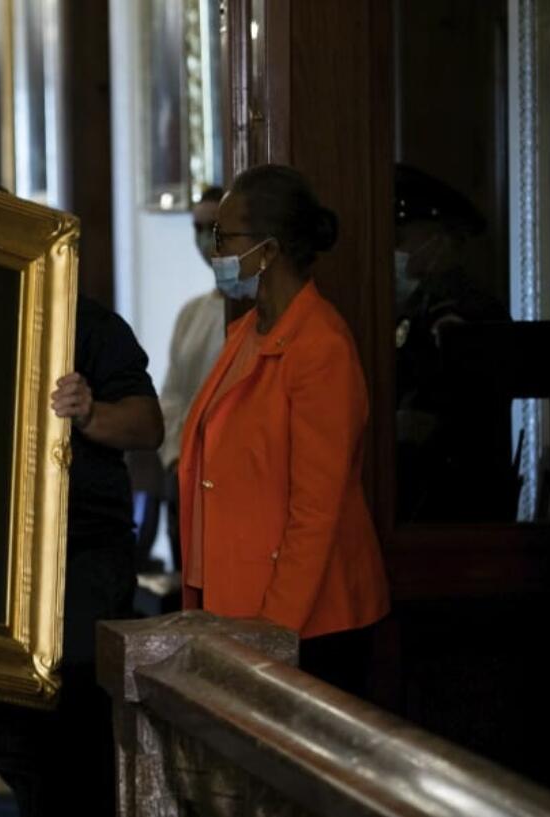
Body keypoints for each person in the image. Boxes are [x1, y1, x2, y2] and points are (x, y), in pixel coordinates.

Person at [180, 164, 389, 697]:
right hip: (240, 608)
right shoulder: (247, 330)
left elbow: (316, 512)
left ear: (267, 251)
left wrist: (274, 635)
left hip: (308, 625)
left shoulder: (320, 348)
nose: (216, 251)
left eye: (226, 238)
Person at [0, 293, 164, 816]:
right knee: (10, 737)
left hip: (82, 565)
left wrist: (89, 413)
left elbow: (148, 425)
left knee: (80, 738)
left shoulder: (91, 325)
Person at [393, 164, 514, 522]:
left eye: (402, 239)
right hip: (418, 498)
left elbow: (450, 413)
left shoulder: (470, 309)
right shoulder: (415, 306)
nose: (395, 250)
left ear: (440, 239)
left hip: (458, 502)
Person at [157, 185, 227, 567]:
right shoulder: (191, 314)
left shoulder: (247, 314)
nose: (204, 240)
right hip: (184, 469)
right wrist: (174, 458)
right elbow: (172, 397)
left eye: (213, 227)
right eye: (197, 228)